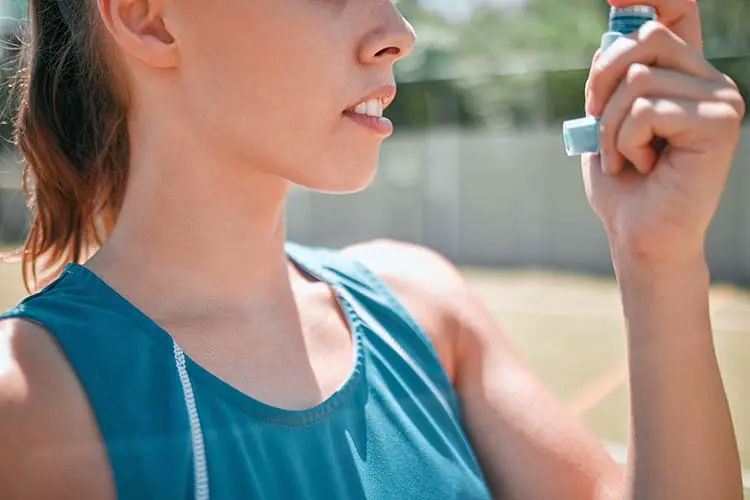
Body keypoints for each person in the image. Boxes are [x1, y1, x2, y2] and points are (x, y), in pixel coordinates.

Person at [0, 0, 744, 498]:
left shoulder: (424, 309)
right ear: (150, 18)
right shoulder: (31, 402)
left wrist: (659, 259)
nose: (398, 29)